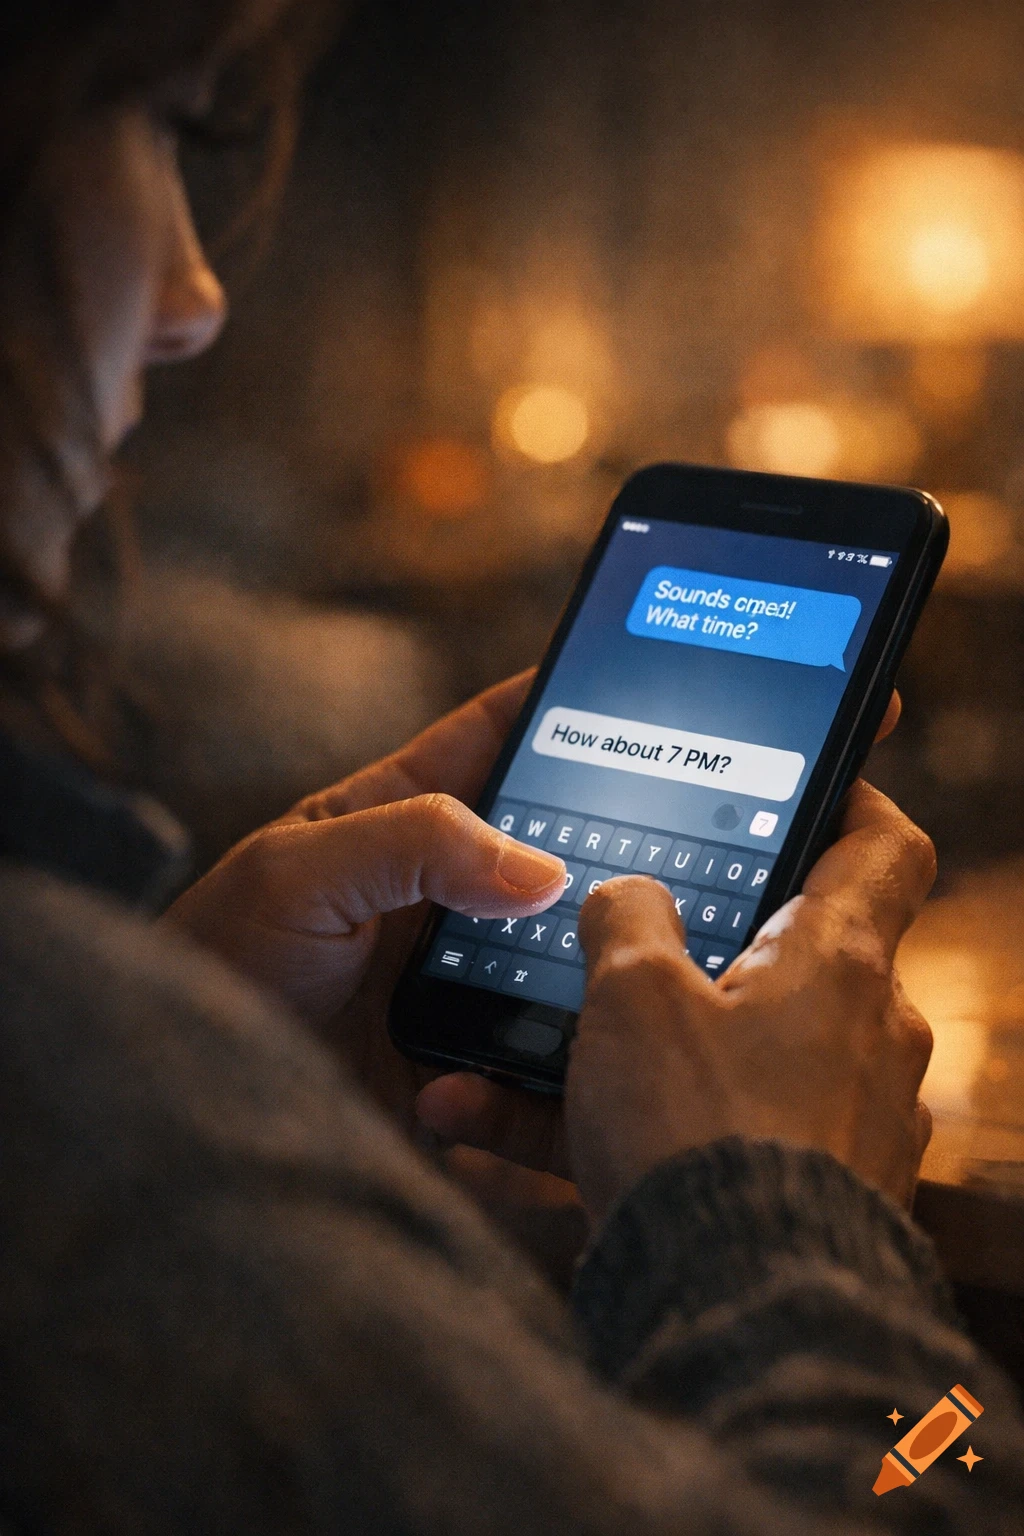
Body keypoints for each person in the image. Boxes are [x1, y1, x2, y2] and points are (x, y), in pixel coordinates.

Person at [0, 2, 1022, 1532]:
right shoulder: (80, 1107)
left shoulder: (125, 1072)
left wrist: (225, 1070)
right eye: (151, 121)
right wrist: (800, 1231)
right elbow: (939, 1476)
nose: (199, 295)